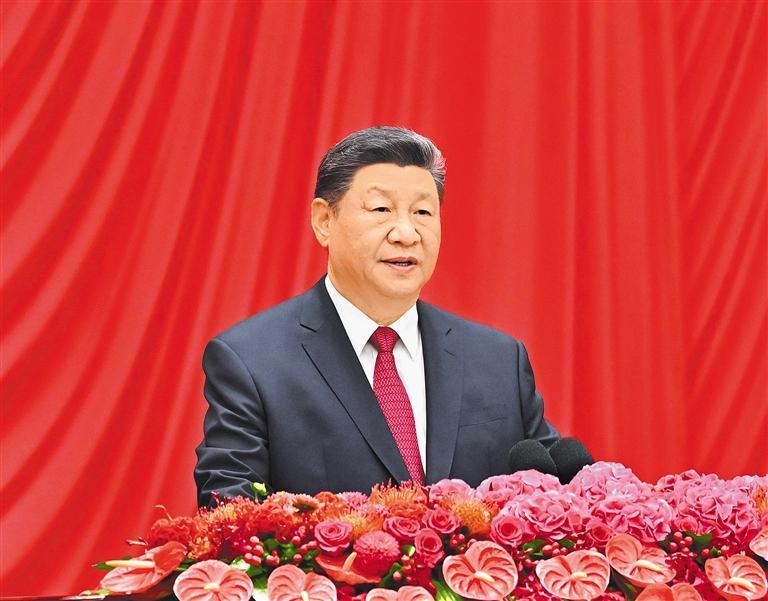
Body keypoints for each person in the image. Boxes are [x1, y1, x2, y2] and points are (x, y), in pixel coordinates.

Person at [194, 126, 559, 507]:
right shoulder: (253, 362)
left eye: (422, 212)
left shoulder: (498, 360)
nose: (406, 233)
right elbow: (229, 511)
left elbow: (557, 494)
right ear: (324, 221)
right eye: (382, 210)